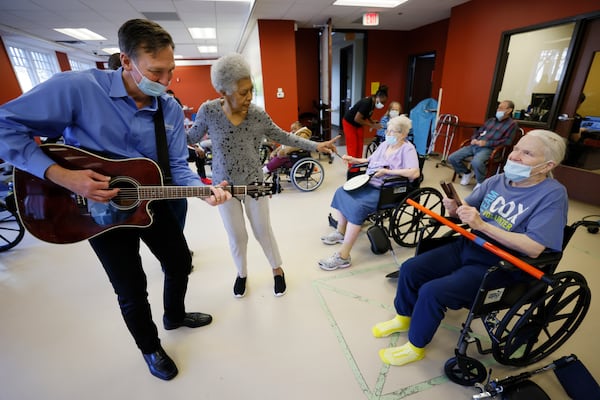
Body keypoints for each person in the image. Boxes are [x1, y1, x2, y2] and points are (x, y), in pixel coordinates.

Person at [0, 18, 231, 381]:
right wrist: (65, 177)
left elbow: (175, 167)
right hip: (95, 211)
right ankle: (151, 348)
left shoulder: (167, 109)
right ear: (126, 61)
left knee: (180, 261)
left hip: (151, 203)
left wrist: (205, 189)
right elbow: (4, 127)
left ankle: (174, 315)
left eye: (171, 71)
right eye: (156, 72)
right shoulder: (76, 89)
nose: (166, 82)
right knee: (131, 287)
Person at [372, 129, 568, 367]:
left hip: (503, 263)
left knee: (433, 291)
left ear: (547, 166)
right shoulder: (498, 180)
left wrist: (482, 225)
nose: (515, 156)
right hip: (470, 244)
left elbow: (534, 248)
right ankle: (403, 317)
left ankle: (415, 345)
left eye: (527, 153)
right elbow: (467, 211)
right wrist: (455, 208)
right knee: (411, 268)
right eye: (516, 148)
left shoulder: (552, 195)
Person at [188, 53, 339, 298]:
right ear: (223, 91)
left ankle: (277, 270)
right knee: (237, 236)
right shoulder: (209, 112)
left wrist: (316, 145)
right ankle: (241, 273)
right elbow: (190, 138)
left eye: (251, 90)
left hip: (254, 183)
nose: (249, 97)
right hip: (223, 187)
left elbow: (284, 136)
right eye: (242, 92)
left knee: (262, 230)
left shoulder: (257, 114)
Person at [319, 115, 420, 271]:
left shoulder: (408, 149)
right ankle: (340, 232)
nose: (389, 134)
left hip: (387, 188)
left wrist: (388, 171)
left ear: (404, 134)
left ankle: (343, 256)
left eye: (394, 132)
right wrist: (353, 159)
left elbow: (414, 173)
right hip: (369, 181)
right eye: (388, 130)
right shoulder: (385, 144)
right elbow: (369, 160)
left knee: (358, 206)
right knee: (341, 192)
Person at [448, 100, 518, 189]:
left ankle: (481, 182)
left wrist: (487, 143)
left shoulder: (512, 124)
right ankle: (467, 173)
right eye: (498, 108)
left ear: (509, 110)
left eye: (501, 108)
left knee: (476, 162)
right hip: (475, 145)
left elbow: (507, 141)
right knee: (452, 158)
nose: (498, 110)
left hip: (489, 148)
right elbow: (479, 132)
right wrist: (474, 138)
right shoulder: (491, 121)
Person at [342, 85, 389, 160]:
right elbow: (357, 119)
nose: (382, 105)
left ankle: (358, 164)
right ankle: (352, 168)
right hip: (349, 123)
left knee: (360, 145)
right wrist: (371, 125)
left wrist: (372, 121)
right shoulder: (366, 102)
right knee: (353, 146)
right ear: (378, 97)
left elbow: (366, 114)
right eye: (382, 102)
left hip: (358, 124)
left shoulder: (373, 103)